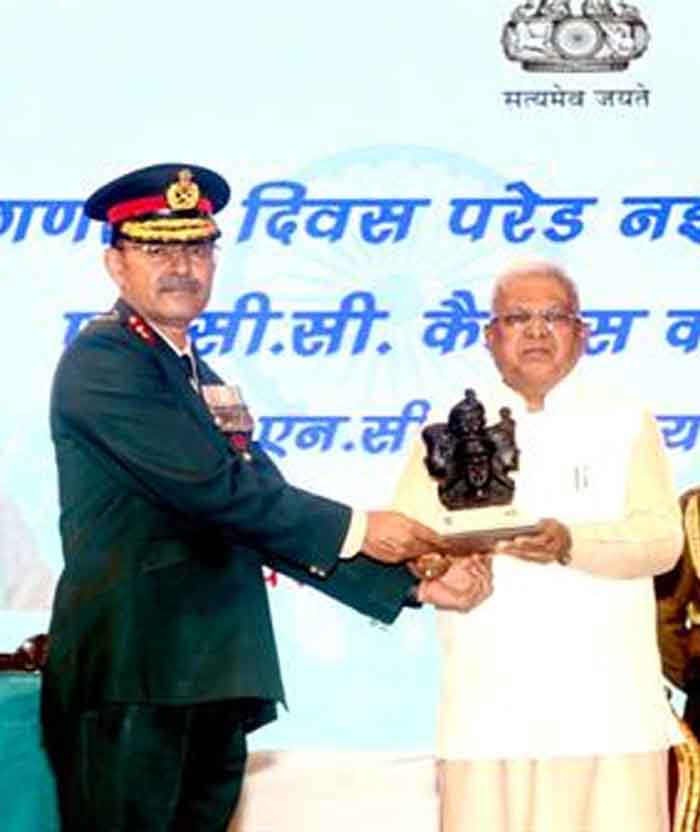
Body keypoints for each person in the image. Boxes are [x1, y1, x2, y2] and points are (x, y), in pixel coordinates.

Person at [41, 163, 492, 832]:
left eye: (198, 249)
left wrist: (413, 586)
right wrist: (361, 527)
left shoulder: (194, 374)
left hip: (206, 676)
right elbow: (218, 492)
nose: (182, 267)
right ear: (115, 263)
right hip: (134, 680)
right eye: (158, 249)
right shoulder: (105, 362)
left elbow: (262, 508)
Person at [392, 260, 683, 831]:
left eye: (554, 316)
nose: (536, 331)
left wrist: (572, 542)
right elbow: (409, 537)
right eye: (517, 318)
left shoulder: (625, 419)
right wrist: (434, 563)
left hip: (607, 705)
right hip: (489, 702)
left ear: (582, 333)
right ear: (489, 336)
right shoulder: (445, 426)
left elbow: (663, 541)